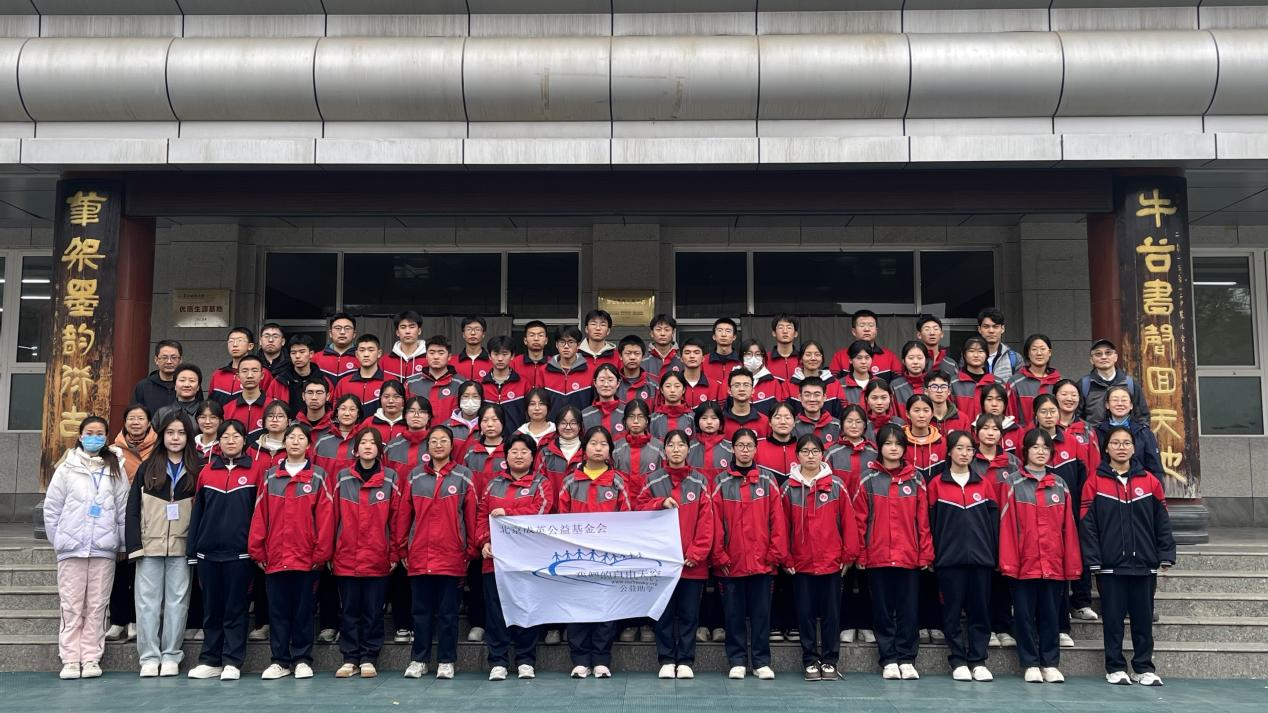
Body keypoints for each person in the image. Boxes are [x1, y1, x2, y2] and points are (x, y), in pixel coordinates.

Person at [1081, 425, 1175, 687]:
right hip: (1111, 567)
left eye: (1126, 443)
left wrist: (1165, 553)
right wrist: (1093, 558)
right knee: (1112, 621)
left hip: (1144, 565)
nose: (1121, 447)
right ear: (1106, 448)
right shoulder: (1094, 482)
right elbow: (1087, 525)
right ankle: (1115, 667)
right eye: (1115, 443)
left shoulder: (1150, 482)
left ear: (1134, 448)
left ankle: (1144, 668)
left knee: (1143, 620)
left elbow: (1162, 521)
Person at [247, 423, 335, 681]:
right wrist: (258, 550)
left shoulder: (318, 476)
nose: (295, 441)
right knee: (278, 612)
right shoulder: (271, 476)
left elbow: (326, 518)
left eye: (300, 438)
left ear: (309, 445)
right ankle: (279, 661)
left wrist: (320, 553)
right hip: (275, 557)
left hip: (306, 558)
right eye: (291, 437)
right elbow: (260, 515)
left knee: (303, 612)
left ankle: (302, 659)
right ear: (284, 443)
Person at [45, 416, 129, 681]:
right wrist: (59, 540)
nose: (94, 437)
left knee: (97, 605)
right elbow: (52, 508)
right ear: (80, 436)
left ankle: (91, 657)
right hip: (71, 548)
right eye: (89, 433)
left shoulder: (115, 468)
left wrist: (121, 542)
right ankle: (70, 658)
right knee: (71, 606)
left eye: (100, 433)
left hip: (103, 549)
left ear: (106, 437)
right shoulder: (66, 468)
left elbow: (123, 510)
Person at [998, 429, 1082, 684]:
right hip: (1024, 563)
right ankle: (1030, 662)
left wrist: (1071, 563)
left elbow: (1069, 528)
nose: (1041, 451)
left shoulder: (1060, 484)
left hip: (1053, 563)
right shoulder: (1013, 483)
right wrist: (1009, 562)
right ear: (1025, 451)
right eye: (1035, 447)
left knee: (1051, 615)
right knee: (1023, 616)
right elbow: (1007, 526)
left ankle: (1050, 662)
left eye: (1045, 447)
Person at [186, 419, 263, 681]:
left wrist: (255, 548)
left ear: (244, 440)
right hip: (208, 554)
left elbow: (260, 514)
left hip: (240, 554)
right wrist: (193, 549)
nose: (231, 441)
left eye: (236, 436)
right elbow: (198, 512)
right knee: (211, 610)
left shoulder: (256, 471)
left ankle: (232, 660)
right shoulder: (207, 472)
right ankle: (210, 660)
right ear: (218, 441)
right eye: (226, 437)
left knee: (235, 610)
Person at [399, 425, 477, 681]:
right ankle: (418, 659)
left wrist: (469, 549)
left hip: (452, 555)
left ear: (452, 445)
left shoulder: (464, 476)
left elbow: (471, 516)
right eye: (434, 441)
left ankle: (446, 660)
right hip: (420, 554)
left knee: (448, 613)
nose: (439, 445)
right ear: (428, 446)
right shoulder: (415, 476)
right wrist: (402, 546)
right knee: (420, 613)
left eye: (444, 440)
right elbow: (404, 515)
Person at [856, 424, 933, 681]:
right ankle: (888, 658)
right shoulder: (868, 478)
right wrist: (861, 554)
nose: (893, 448)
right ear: (879, 447)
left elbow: (923, 521)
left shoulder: (916, 478)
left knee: (909, 611)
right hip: (877, 557)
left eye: (898, 444)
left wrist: (925, 553)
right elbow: (860, 520)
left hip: (908, 557)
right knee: (882, 611)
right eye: (888, 443)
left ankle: (907, 658)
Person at [781, 434, 860, 682]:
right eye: (805, 451)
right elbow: (782, 526)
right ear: (797, 456)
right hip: (801, 563)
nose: (810, 456)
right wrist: (786, 558)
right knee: (804, 614)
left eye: (815, 451)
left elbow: (849, 522)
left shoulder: (836, 485)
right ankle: (809, 660)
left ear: (822, 454)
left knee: (831, 615)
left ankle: (830, 660)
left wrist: (849, 554)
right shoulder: (788, 488)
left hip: (831, 562)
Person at [127, 412, 199, 678]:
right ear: (161, 436)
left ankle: (171, 655)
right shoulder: (147, 467)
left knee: (177, 603)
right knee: (147, 603)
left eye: (181, 433)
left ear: (188, 437)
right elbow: (132, 509)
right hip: (150, 547)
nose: (175, 438)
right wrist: (134, 544)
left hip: (181, 548)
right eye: (170, 433)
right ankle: (148, 656)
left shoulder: (196, 468)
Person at [712, 428, 786, 681]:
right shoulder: (721, 482)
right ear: (733, 449)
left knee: (761, 615)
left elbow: (777, 520)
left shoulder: (767, 480)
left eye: (749, 446)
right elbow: (714, 522)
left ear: (756, 449)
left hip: (763, 562)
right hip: (730, 563)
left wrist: (774, 554)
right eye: (740, 446)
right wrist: (720, 555)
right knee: (733, 615)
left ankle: (761, 661)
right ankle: (737, 660)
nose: (745, 450)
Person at [557, 426, 632, 678]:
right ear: (584, 448)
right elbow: (560, 520)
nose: (598, 448)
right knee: (577, 607)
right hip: (575, 558)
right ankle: (579, 659)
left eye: (603, 444)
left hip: (607, 559)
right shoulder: (570, 481)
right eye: (593, 443)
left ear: (610, 450)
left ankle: (601, 659)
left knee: (605, 607)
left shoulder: (618, 481)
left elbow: (627, 519)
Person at [639, 430, 714, 680]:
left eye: (681, 445)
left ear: (688, 449)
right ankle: (666, 659)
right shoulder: (653, 480)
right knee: (664, 613)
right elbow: (638, 508)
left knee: (689, 615)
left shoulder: (700, 481)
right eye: (671, 445)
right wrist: (658, 503)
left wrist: (696, 553)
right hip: (662, 563)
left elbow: (707, 522)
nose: (676, 449)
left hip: (691, 563)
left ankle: (685, 660)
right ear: (665, 450)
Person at [477, 435, 551, 680]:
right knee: (496, 611)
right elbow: (481, 515)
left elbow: (542, 511)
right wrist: (484, 541)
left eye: (524, 451)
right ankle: (498, 661)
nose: (518, 455)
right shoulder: (493, 484)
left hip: (528, 559)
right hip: (495, 560)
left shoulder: (541, 483)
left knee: (526, 607)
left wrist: (508, 512)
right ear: (506, 456)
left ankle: (525, 660)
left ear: (533, 456)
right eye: (513, 451)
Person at [331, 428, 403, 679]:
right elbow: (332, 517)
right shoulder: (342, 477)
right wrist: (331, 551)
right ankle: (350, 658)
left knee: (373, 611)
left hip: (377, 555)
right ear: (356, 449)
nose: (368, 447)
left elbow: (397, 519)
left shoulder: (391, 478)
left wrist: (394, 553)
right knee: (349, 610)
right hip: (346, 555)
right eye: (363, 442)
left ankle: (369, 657)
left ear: (380, 449)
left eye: (373, 443)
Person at [927, 430, 998, 682]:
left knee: (980, 612)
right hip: (949, 561)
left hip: (981, 561)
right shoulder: (936, 484)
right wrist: (933, 555)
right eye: (959, 448)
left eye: (969, 449)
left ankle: (978, 660)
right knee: (952, 613)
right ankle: (957, 660)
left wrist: (993, 554)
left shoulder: (984, 484)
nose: (965, 453)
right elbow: (930, 524)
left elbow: (994, 525)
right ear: (949, 451)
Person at [824, 405, 876, 645]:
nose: (854, 426)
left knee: (865, 575)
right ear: (841, 425)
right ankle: (845, 624)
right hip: (839, 521)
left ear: (866, 426)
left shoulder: (874, 453)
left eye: (859, 422)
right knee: (843, 575)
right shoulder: (832, 453)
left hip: (869, 519)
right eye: (849, 421)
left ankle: (865, 623)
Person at [106, 404, 155, 643]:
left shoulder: (158, 448)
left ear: (149, 423)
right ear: (124, 423)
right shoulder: (113, 451)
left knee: (140, 571)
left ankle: (135, 621)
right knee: (119, 570)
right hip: (119, 513)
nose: (136, 422)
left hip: (149, 515)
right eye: (131, 418)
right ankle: (117, 621)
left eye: (141, 418)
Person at [972, 414, 1021, 649]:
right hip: (978, 528)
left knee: (1004, 578)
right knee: (982, 582)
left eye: (995, 429)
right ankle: (987, 628)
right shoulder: (970, 460)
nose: (990, 433)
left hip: (1006, 527)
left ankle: (1003, 626)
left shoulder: (1012, 462)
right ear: (976, 433)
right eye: (985, 428)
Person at [1094, 385, 1164, 479]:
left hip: (1139, 484)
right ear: (1107, 405)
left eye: (1124, 400)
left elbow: (1156, 469)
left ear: (1131, 405)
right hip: (1106, 483)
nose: (1120, 404)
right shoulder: (1097, 432)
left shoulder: (1144, 433)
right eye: (1115, 400)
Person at [1078, 338, 1150, 428]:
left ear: (1116, 357)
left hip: (1126, 434)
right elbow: (1076, 416)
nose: (1104, 357)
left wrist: (1139, 433)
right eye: (1098, 354)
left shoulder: (1130, 384)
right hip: (1094, 435)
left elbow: (1142, 416)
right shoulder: (1084, 384)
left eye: (1108, 353)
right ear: (1091, 360)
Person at [210, 327, 281, 405]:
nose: (235, 344)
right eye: (231, 341)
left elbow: (270, 404)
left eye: (240, 341)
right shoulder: (218, 374)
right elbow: (211, 404)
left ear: (250, 346)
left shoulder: (263, 373)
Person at [830, 310, 900, 381]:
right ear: (854, 331)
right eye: (862, 325)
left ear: (876, 331)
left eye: (871, 325)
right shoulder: (840, 356)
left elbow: (898, 384)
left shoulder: (890, 356)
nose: (867, 329)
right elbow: (832, 384)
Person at [1008, 334, 1062, 426]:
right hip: (1024, 434)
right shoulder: (1015, 382)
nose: (1039, 353)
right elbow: (1010, 416)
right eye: (1034, 349)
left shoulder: (1059, 382)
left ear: (1049, 352)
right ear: (1028, 353)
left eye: (1043, 349)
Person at [408, 335, 465, 420]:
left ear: (449, 356)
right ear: (426, 356)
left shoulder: (461, 384)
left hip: (450, 429)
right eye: (431, 353)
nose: (436, 357)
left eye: (441, 353)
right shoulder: (411, 383)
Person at [541, 326, 593, 417]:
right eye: (562, 342)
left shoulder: (591, 370)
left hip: (582, 424)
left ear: (578, 345)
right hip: (552, 424)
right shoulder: (544, 370)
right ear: (556, 345)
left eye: (571, 342)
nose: (566, 346)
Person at [611, 399, 664, 487]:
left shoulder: (659, 447)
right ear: (625, 420)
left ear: (647, 420)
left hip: (650, 495)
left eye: (640, 416)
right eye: (631, 416)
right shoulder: (616, 447)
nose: (635, 421)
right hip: (623, 495)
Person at [481, 335, 528, 431]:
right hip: (488, 438)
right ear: (489, 356)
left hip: (516, 438)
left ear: (512, 356)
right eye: (496, 354)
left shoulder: (524, 384)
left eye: (505, 354)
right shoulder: (480, 385)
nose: (500, 358)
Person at [333, 334, 386, 419]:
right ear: (356, 354)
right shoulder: (343, 383)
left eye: (371, 350)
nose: (366, 354)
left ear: (379, 353)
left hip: (379, 428)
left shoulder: (389, 382)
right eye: (362, 350)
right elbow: (336, 413)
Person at [787, 341, 844, 416]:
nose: (813, 358)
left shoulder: (834, 383)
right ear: (801, 359)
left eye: (817, 355)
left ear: (822, 358)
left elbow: (841, 414)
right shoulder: (788, 384)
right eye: (808, 355)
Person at [222, 355, 270, 443]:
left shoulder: (272, 407)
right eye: (245, 371)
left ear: (262, 375)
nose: (250, 375)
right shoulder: (227, 409)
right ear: (238, 376)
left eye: (254, 371)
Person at [313, 395, 363, 478]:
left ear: (358, 414)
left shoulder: (364, 441)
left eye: (352, 409)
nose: (347, 413)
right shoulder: (323, 441)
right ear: (336, 413)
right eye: (343, 409)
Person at [279, 334, 334, 409]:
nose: (297, 356)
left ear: (311, 354)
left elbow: (330, 408)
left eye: (302, 352)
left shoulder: (324, 381)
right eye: (293, 353)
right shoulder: (280, 380)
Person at [950, 336, 997, 422]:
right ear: (964, 355)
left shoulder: (997, 383)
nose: (976, 355)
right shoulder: (953, 383)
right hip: (961, 430)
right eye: (971, 351)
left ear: (987, 355)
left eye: (981, 351)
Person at [133, 340, 186, 413]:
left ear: (180, 360)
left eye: (174, 357)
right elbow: (135, 414)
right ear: (156, 360)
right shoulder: (143, 386)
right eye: (164, 357)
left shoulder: (189, 385)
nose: (169, 362)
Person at [687, 401, 733, 483]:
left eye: (714, 418)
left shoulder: (730, 449)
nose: (709, 422)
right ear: (697, 421)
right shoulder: (688, 448)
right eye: (704, 418)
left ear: (721, 421)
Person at [150, 363, 203, 430]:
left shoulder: (204, 412)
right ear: (175, 385)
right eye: (182, 380)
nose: (186, 385)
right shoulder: (162, 413)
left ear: (198, 387)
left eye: (192, 381)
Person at [380, 310, 428, 383]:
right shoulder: (384, 361)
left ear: (419, 331)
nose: (407, 331)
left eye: (412, 327)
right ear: (397, 332)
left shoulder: (429, 359)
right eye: (403, 327)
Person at [721, 369, 770, 439]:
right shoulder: (721, 421)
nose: (741, 389)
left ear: (752, 390)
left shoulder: (765, 422)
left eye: (746, 385)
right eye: (737, 385)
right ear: (729, 390)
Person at [738, 339, 783, 415]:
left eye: (758, 354)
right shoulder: (730, 381)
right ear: (741, 357)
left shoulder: (773, 383)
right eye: (748, 354)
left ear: (763, 357)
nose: (753, 358)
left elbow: (778, 412)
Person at [977, 308, 1021, 383]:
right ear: (979, 329)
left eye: (995, 326)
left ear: (1002, 329)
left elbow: (1020, 386)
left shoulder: (1014, 358)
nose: (991, 331)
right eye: (986, 326)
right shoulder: (969, 357)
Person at [976, 383, 1021, 457]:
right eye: (989, 399)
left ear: (1005, 404)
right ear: (982, 404)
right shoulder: (973, 429)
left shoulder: (1017, 431)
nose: (994, 404)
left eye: (999, 399)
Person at [313, 313, 359, 384]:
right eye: (338, 328)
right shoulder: (316, 358)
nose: (342, 332)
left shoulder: (362, 358)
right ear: (330, 333)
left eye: (347, 328)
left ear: (354, 334)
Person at [792, 378, 840, 446]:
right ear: (800, 397)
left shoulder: (837, 425)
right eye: (807, 395)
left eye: (817, 395)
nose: (812, 399)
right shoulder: (792, 425)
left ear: (824, 397)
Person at [359, 379, 409, 444]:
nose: (391, 401)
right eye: (386, 397)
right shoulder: (368, 423)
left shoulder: (410, 423)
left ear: (403, 400)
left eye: (396, 397)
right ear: (380, 399)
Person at [443, 380, 486, 455]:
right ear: (459, 399)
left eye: (475, 396)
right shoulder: (447, 426)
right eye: (466, 396)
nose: (470, 400)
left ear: (481, 400)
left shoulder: (486, 426)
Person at [583, 364, 627, 437]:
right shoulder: (585, 415)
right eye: (602, 380)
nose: (606, 385)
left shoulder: (627, 413)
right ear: (595, 383)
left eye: (610, 380)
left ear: (618, 383)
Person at [615, 335, 659, 405]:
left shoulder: (653, 385)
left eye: (637, 353)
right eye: (628, 353)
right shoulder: (613, 384)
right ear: (620, 356)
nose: (632, 357)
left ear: (643, 357)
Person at [889, 341, 930, 417]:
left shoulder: (933, 384)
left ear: (926, 360)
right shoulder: (895, 386)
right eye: (911, 358)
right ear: (903, 361)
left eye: (919, 358)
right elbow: (892, 415)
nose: (915, 362)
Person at [247, 400, 291, 470]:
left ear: (288, 422)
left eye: (280, 416)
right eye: (270, 416)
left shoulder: (293, 448)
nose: (274, 420)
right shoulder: (252, 449)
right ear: (264, 421)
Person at [649, 372, 694, 439]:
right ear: (661, 390)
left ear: (684, 390)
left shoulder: (692, 418)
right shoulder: (653, 419)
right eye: (668, 386)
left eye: (677, 386)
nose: (672, 390)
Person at [679, 337, 720, 407]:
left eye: (696, 353)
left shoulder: (715, 386)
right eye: (687, 353)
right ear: (681, 358)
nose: (692, 356)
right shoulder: (673, 384)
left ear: (703, 358)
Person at [915, 315, 958, 379]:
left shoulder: (951, 364)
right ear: (919, 335)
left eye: (936, 329)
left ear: (942, 334)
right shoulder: (914, 362)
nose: (932, 333)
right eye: (927, 329)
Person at [512, 320, 551, 388]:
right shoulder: (514, 363)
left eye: (540, 335)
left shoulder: (553, 364)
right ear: (525, 340)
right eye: (532, 335)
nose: (536, 339)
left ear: (546, 340)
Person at [451, 315, 492, 381]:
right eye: (469, 329)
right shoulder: (451, 362)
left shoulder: (493, 361)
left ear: (483, 334)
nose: (473, 333)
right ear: (463, 334)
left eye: (477, 329)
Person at [703, 318, 741, 385]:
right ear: (714, 336)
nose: (723, 334)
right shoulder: (703, 361)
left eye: (728, 331)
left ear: (734, 337)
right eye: (720, 330)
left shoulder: (742, 360)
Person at [643, 313, 683, 378]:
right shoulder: (642, 359)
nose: (663, 333)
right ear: (652, 333)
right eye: (658, 330)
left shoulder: (682, 358)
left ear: (673, 333)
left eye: (667, 330)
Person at [838, 340, 874, 408]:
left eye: (867, 358)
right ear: (850, 360)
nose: (863, 362)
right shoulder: (840, 385)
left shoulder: (879, 383)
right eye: (859, 358)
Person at [767, 314, 801, 384]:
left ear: (796, 333)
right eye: (780, 327)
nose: (785, 331)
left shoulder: (803, 359)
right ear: (774, 333)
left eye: (789, 327)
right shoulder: (765, 359)